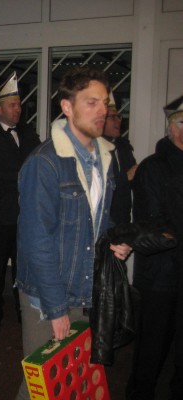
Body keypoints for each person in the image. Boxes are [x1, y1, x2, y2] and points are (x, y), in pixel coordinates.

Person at [15, 66, 132, 400]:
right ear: (67, 107)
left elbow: (94, 220)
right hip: (46, 296)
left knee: (68, 380)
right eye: (91, 102)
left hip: (81, 286)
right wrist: (56, 309)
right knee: (41, 386)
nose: (102, 110)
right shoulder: (45, 163)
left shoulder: (102, 157)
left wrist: (112, 240)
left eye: (105, 102)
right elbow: (36, 241)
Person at [0, 71, 41, 337]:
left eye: (19, 105)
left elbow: (38, 162)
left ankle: (23, 312)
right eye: (13, 105)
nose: (18, 109)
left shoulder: (28, 132)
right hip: (0, 214)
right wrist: (20, 175)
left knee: (23, 268)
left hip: (26, 215)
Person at [126, 94, 183, 400]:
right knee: (152, 346)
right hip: (161, 274)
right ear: (174, 128)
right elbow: (152, 223)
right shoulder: (153, 168)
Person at [103, 91, 137, 224]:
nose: (118, 121)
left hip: (123, 219)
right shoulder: (92, 148)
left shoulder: (124, 147)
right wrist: (125, 177)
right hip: (104, 220)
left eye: (119, 116)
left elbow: (134, 179)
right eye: (112, 117)